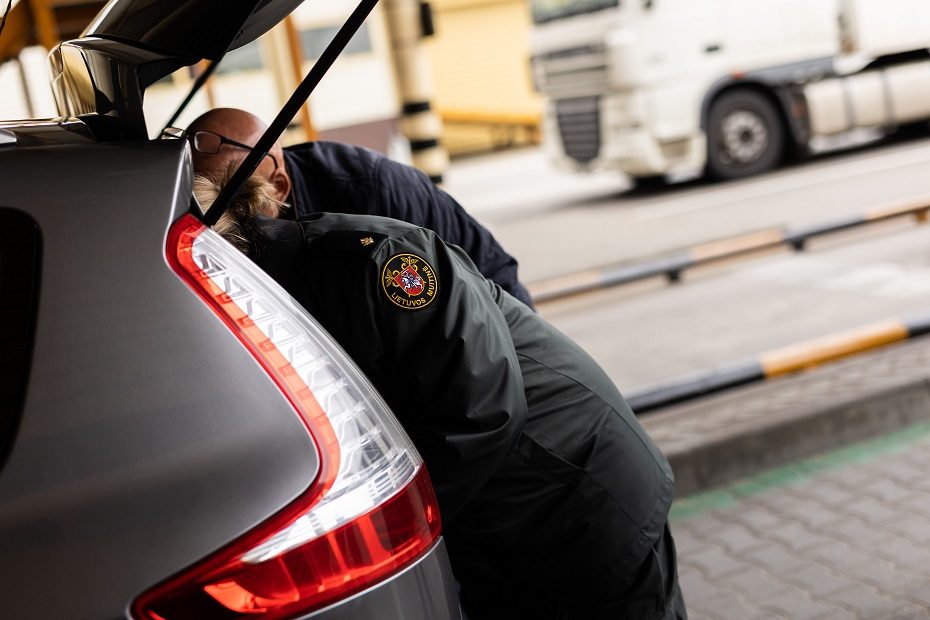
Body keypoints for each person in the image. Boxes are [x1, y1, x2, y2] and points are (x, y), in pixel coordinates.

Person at [194, 170, 687, 620]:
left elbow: (481, 414)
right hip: (503, 524)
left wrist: (378, 530)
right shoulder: (267, 293)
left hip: (573, 489)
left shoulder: (375, 261)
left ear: (214, 252)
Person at [185, 108, 534, 308]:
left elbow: (481, 283)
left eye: (233, 204)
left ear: (277, 186)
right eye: (204, 203)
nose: (217, 226)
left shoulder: (373, 193)